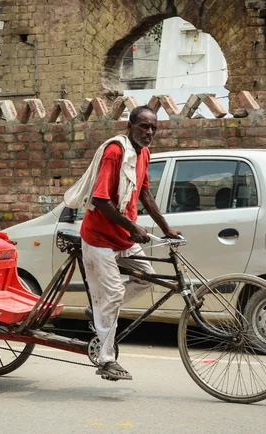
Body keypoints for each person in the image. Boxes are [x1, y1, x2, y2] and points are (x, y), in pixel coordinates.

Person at [79, 105, 179, 381]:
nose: (149, 133)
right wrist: (133, 226)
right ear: (130, 127)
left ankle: (97, 310)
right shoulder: (116, 152)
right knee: (112, 295)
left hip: (122, 237)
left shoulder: (144, 153)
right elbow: (100, 199)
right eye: (143, 127)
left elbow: (145, 192)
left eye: (153, 128)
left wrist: (166, 228)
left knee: (147, 277)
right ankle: (106, 359)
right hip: (99, 238)